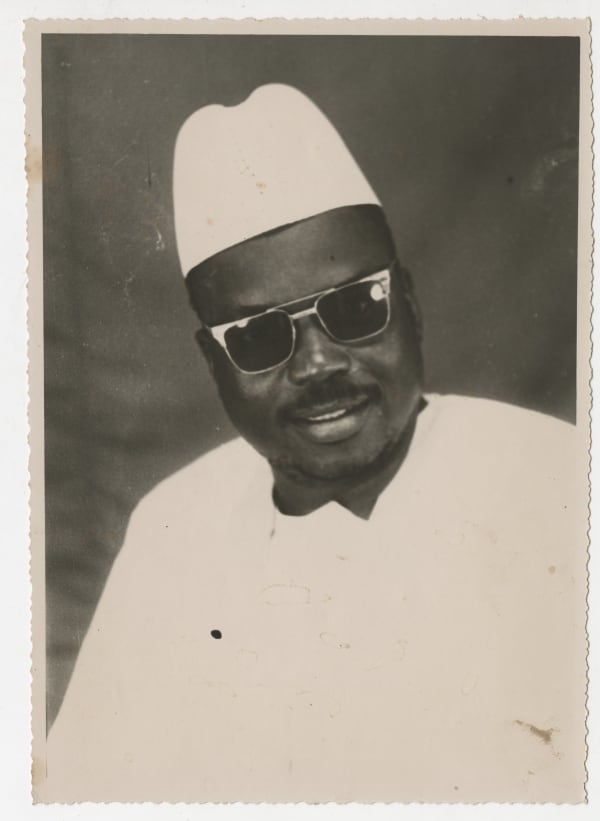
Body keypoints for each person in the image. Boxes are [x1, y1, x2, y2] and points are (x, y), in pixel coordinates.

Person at [38, 84, 587, 804]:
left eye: (356, 307)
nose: (319, 364)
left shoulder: (558, 483)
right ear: (214, 365)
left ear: (410, 306)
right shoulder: (173, 529)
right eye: (261, 336)